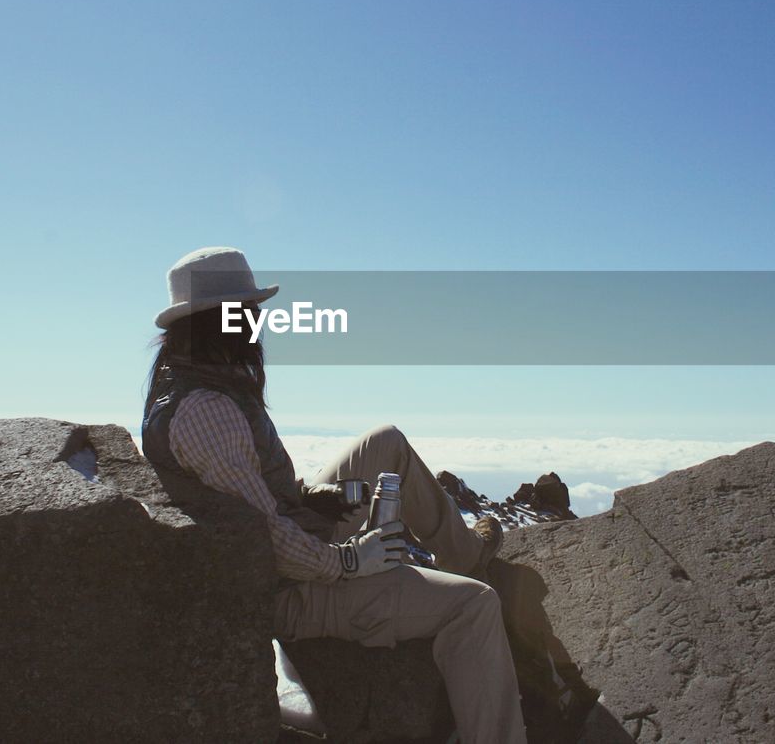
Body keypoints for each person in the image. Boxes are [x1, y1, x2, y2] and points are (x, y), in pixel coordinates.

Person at [141, 246, 528, 744]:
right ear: (214, 321)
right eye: (246, 310)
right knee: (475, 605)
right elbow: (263, 540)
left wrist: (312, 496)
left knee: (385, 442)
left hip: (293, 532)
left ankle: (465, 555)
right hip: (285, 589)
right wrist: (347, 562)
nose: (257, 321)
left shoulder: (198, 383)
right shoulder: (207, 410)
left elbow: (244, 494)